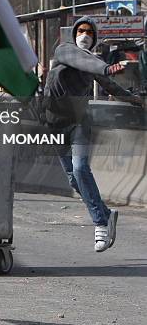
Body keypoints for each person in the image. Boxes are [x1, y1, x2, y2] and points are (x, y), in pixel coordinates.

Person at [44, 16, 143, 253]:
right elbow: (83, 62)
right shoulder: (64, 51)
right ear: (74, 34)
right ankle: (107, 214)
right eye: (81, 30)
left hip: (79, 122)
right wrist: (105, 67)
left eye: (89, 32)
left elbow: (111, 85)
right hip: (55, 124)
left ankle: (100, 223)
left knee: (80, 169)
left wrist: (135, 100)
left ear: (95, 38)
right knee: (72, 179)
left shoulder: (94, 64)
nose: (85, 35)